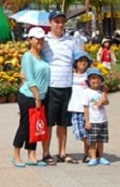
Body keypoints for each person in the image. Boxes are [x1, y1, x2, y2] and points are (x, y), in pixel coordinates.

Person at [40, 10, 76, 165]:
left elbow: (78, 60)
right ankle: (46, 153)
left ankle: (62, 152)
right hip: (51, 87)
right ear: (50, 23)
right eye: (56, 22)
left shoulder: (71, 41)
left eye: (62, 21)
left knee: (63, 123)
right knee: (48, 123)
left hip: (67, 86)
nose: (60, 25)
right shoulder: (45, 41)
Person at [12, 27, 50, 167]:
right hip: (29, 96)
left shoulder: (43, 57)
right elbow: (31, 79)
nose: (40, 41)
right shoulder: (27, 57)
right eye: (37, 38)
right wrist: (37, 97)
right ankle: (16, 154)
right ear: (30, 40)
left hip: (42, 96)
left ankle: (32, 154)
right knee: (25, 126)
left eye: (42, 39)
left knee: (36, 126)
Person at [67, 51, 94, 163]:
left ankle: (87, 154)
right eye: (81, 61)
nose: (83, 63)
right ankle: (93, 147)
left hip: (87, 109)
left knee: (87, 131)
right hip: (75, 108)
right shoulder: (70, 76)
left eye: (85, 61)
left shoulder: (89, 76)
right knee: (79, 132)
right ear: (75, 63)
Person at [83, 67, 110, 166]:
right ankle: (93, 157)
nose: (96, 80)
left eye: (98, 78)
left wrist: (104, 97)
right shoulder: (86, 92)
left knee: (101, 140)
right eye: (93, 78)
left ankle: (101, 157)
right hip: (93, 120)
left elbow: (106, 102)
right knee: (92, 141)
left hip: (102, 119)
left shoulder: (101, 91)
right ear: (89, 81)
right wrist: (87, 121)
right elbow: (85, 108)